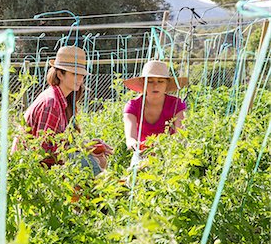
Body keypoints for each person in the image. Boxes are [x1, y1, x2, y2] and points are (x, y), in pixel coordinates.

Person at [23, 45, 112, 175]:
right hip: (33, 170)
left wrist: (89, 145)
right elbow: (44, 151)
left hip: (48, 165)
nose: (80, 79)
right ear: (60, 74)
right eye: (74, 74)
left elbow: (62, 141)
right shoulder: (51, 103)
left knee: (99, 160)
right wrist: (82, 148)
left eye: (81, 75)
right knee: (86, 163)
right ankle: (104, 189)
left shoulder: (63, 101)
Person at [123, 60, 188, 151]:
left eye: (160, 81)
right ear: (143, 83)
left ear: (167, 84)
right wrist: (135, 145)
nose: (155, 86)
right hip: (142, 152)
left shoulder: (177, 105)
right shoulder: (133, 106)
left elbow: (181, 136)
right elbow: (130, 139)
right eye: (150, 81)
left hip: (169, 153)